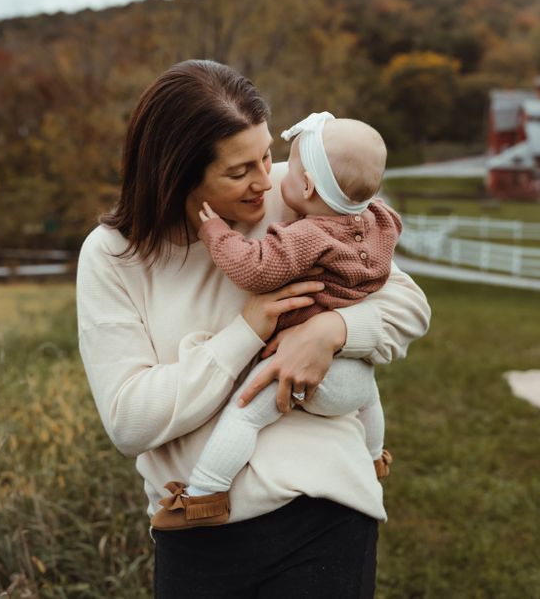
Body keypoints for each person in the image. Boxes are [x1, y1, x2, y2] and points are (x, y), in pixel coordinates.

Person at [75, 60, 431, 597]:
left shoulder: (300, 195)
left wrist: (330, 330)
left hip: (325, 509)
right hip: (196, 529)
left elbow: (407, 303)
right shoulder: (113, 257)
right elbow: (130, 420)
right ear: (176, 175)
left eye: (267, 154)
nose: (266, 180)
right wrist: (247, 329)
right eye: (239, 171)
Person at [150, 113, 400, 530]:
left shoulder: (308, 235)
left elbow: (254, 269)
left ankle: (204, 495)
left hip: (304, 372)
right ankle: (375, 456)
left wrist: (214, 232)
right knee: (370, 398)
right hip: (356, 374)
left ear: (306, 187)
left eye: (289, 164)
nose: (271, 177)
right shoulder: (382, 221)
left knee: (245, 411)